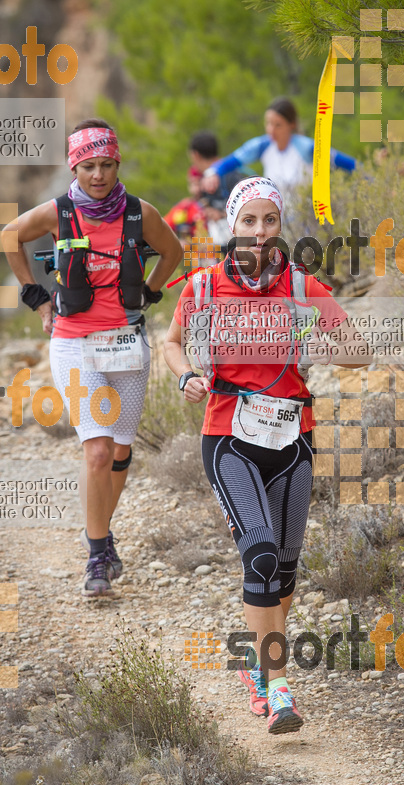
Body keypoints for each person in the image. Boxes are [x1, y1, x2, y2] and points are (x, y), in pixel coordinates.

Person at [163, 176, 369, 734]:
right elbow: (172, 341)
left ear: (280, 226)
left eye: (269, 221)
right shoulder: (204, 288)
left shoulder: (302, 287)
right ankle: (277, 688)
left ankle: (259, 658)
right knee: (257, 554)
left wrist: (314, 338)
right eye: (249, 222)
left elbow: (358, 349)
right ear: (233, 225)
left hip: (293, 438)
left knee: (285, 570)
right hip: (229, 438)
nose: (259, 232)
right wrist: (185, 375)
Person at [1, 118, 183, 598]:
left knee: (121, 452)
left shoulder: (140, 214)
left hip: (127, 342)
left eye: (106, 165)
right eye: (88, 166)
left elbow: (174, 251)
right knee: (98, 450)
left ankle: (98, 530)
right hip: (74, 341)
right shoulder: (59, 212)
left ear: (117, 163)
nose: (98, 175)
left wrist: (149, 291)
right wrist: (37, 299)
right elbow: (8, 236)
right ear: (74, 167)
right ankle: (97, 554)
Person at [202, 97, 357, 199]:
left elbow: (347, 163)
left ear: (292, 125)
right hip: (278, 223)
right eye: (268, 123)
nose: (271, 130)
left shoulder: (307, 147)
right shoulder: (263, 146)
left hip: (308, 222)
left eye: (278, 125)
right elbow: (233, 160)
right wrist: (213, 173)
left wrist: (370, 177)